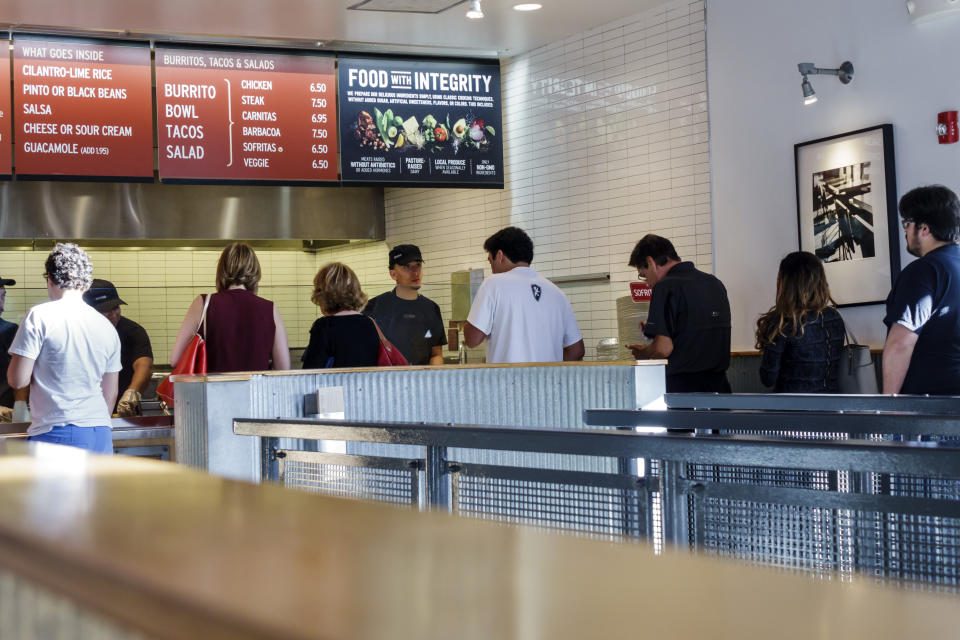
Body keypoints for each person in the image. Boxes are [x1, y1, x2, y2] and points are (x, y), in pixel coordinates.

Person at [6, 243, 121, 453]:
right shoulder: (106, 325)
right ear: (86, 284)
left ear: (49, 279)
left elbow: (17, 379)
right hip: (100, 434)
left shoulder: (39, 316)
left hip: (58, 432)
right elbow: (110, 393)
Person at [626, 234, 732, 393]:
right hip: (721, 388)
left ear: (650, 262)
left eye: (643, 275)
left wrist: (644, 353)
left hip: (683, 392)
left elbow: (663, 349)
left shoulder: (664, 287)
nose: (647, 283)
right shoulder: (715, 283)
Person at [464, 226, 584, 363]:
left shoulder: (493, 284)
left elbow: (472, 340)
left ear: (500, 256)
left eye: (490, 261)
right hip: (549, 383)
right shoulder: (557, 293)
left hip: (508, 383)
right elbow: (577, 351)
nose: (492, 268)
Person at [882, 184, 960, 395]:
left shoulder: (924, 271)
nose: (905, 230)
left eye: (907, 223)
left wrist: (889, 405)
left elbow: (901, 343)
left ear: (924, 229)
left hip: (931, 407)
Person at [171, 242, 290, 373]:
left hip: (213, 392)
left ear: (221, 270)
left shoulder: (204, 303)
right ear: (255, 271)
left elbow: (175, 360)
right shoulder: (270, 309)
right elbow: (283, 368)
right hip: (255, 392)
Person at [755, 251, 845, 392]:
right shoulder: (834, 317)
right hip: (831, 406)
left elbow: (767, 379)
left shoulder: (784, 322)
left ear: (785, 282)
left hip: (792, 409)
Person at [363, 244, 446, 365]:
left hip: (421, 379)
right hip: (387, 380)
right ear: (393, 274)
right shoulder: (373, 307)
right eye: (407, 267)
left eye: (418, 265)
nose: (415, 272)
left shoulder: (432, 308)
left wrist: (433, 376)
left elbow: (436, 354)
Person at [83, 279, 154, 416]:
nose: (113, 315)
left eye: (115, 308)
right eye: (105, 310)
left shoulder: (132, 331)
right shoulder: (75, 334)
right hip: (84, 411)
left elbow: (144, 364)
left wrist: (132, 393)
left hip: (123, 411)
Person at [302, 262, 381, 368]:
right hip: (364, 384)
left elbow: (311, 371)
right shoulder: (369, 323)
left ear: (323, 295)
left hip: (336, 384)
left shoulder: (324, 326)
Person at [0, 276, 30, 423]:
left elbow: (22, 373)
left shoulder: (9, 330)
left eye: (2, 296)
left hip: (6, 415)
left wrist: (20, 406)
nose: (1, 303)